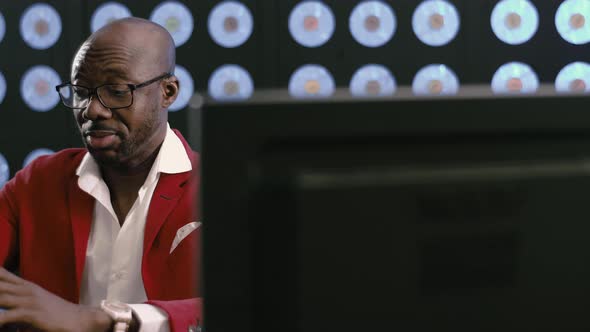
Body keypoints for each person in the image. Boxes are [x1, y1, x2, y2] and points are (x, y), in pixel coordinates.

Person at [0, 17, 201, 332]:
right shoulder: (38, 182)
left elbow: (255, 304)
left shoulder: (219, 187)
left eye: (117, 91)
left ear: (168, 91)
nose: (92, 109)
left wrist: (102, 320)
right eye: (81, 91)